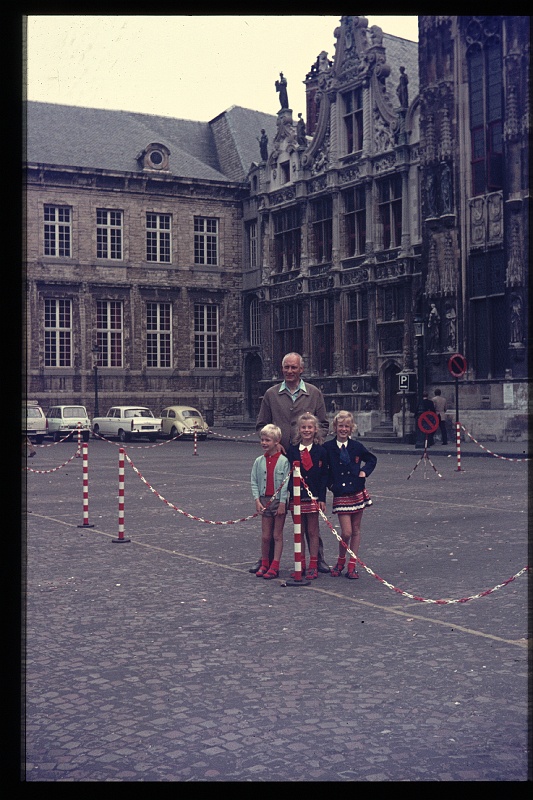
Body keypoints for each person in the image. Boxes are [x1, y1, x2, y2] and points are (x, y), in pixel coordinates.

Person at [252, 352, 331, 573]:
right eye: (286, 367)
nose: (289, 371)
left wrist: (313, 444)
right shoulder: (271, 394)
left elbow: (324, 424)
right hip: (277, 461)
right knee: (272, 511)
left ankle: (317, 558)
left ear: (301, 369)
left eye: (293, 367)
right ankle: (266, 559)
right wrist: (274, 444)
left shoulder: (314, 393)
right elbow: (261, 425)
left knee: (308, 514)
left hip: (305, 462)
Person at [323, 411, 377, 580]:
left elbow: (372, 459)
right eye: (341, 426)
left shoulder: (356, 446)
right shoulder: (328, 447)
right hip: (341, 494)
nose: (344, 429)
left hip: (357, 491)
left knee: (356, 530)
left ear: (351, 428)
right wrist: (331, 485)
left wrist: (364, 472)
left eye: (347, 426)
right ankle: (340, 561)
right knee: (346, 532)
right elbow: (324, 471)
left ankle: (352, 565)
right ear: (335, 427)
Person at [286, 413, 328, 580]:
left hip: (314, 496)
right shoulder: (292, 450)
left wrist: (322, 498)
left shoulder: (321, 451)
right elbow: (288, 474)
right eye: (303, 427)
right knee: (299, 531)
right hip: (296, 496)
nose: (306, 430)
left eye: (310, 427)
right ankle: (301, 563)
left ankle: (313, 564)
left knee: (312, 531)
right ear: (299, 429)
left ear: (315, 429)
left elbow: (324, 476)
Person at [250, 424, 290, 580]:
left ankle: (275, 565)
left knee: (277, 535)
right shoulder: (259, 461)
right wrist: (257, 500)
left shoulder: (284, 461)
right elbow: (254, 481)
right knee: (266, 536)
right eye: (262, 440)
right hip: (264, 500)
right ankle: (265, 563)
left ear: (276, 441)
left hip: (278, 501)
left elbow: (286, 483)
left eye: (267, 440)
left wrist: (283, 503)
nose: (264, 443)